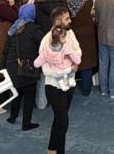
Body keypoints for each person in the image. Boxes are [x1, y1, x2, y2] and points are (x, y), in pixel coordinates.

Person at [35, 21, 81, 154]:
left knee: (60, 119)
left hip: (67, 85)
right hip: (54, 87)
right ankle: (53, 149)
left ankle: (55, 150)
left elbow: (78, 51)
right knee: (62, 121)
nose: (70, 20)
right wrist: (68, 69)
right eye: (67, 18)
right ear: (57, 21)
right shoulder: (46, 41)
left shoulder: (69, 34)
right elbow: (46, 70)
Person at [4, 2, 43, 131]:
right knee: (29, 96)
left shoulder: (14, 28)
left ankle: (12, 116)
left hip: (12, 66)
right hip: (28, 67)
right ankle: (26, 123)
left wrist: (3, 67)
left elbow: (6, 50)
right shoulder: (34, 29)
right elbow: (43, 46)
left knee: (17, 92)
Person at [66, 0, 97, 96]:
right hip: (87, 33)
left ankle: (69, 89)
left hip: (72, 33)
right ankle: (86, 90)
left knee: (70, 61)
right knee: (86, 63)